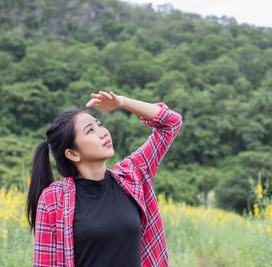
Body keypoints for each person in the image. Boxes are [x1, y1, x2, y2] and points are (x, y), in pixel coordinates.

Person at [26, 91, 182, 267]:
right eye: (90, 130)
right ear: (73, 154)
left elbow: (171, 123)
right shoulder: (54, 199)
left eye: (99, 125)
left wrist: (121, 102)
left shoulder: (132, 177)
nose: (103, 133)